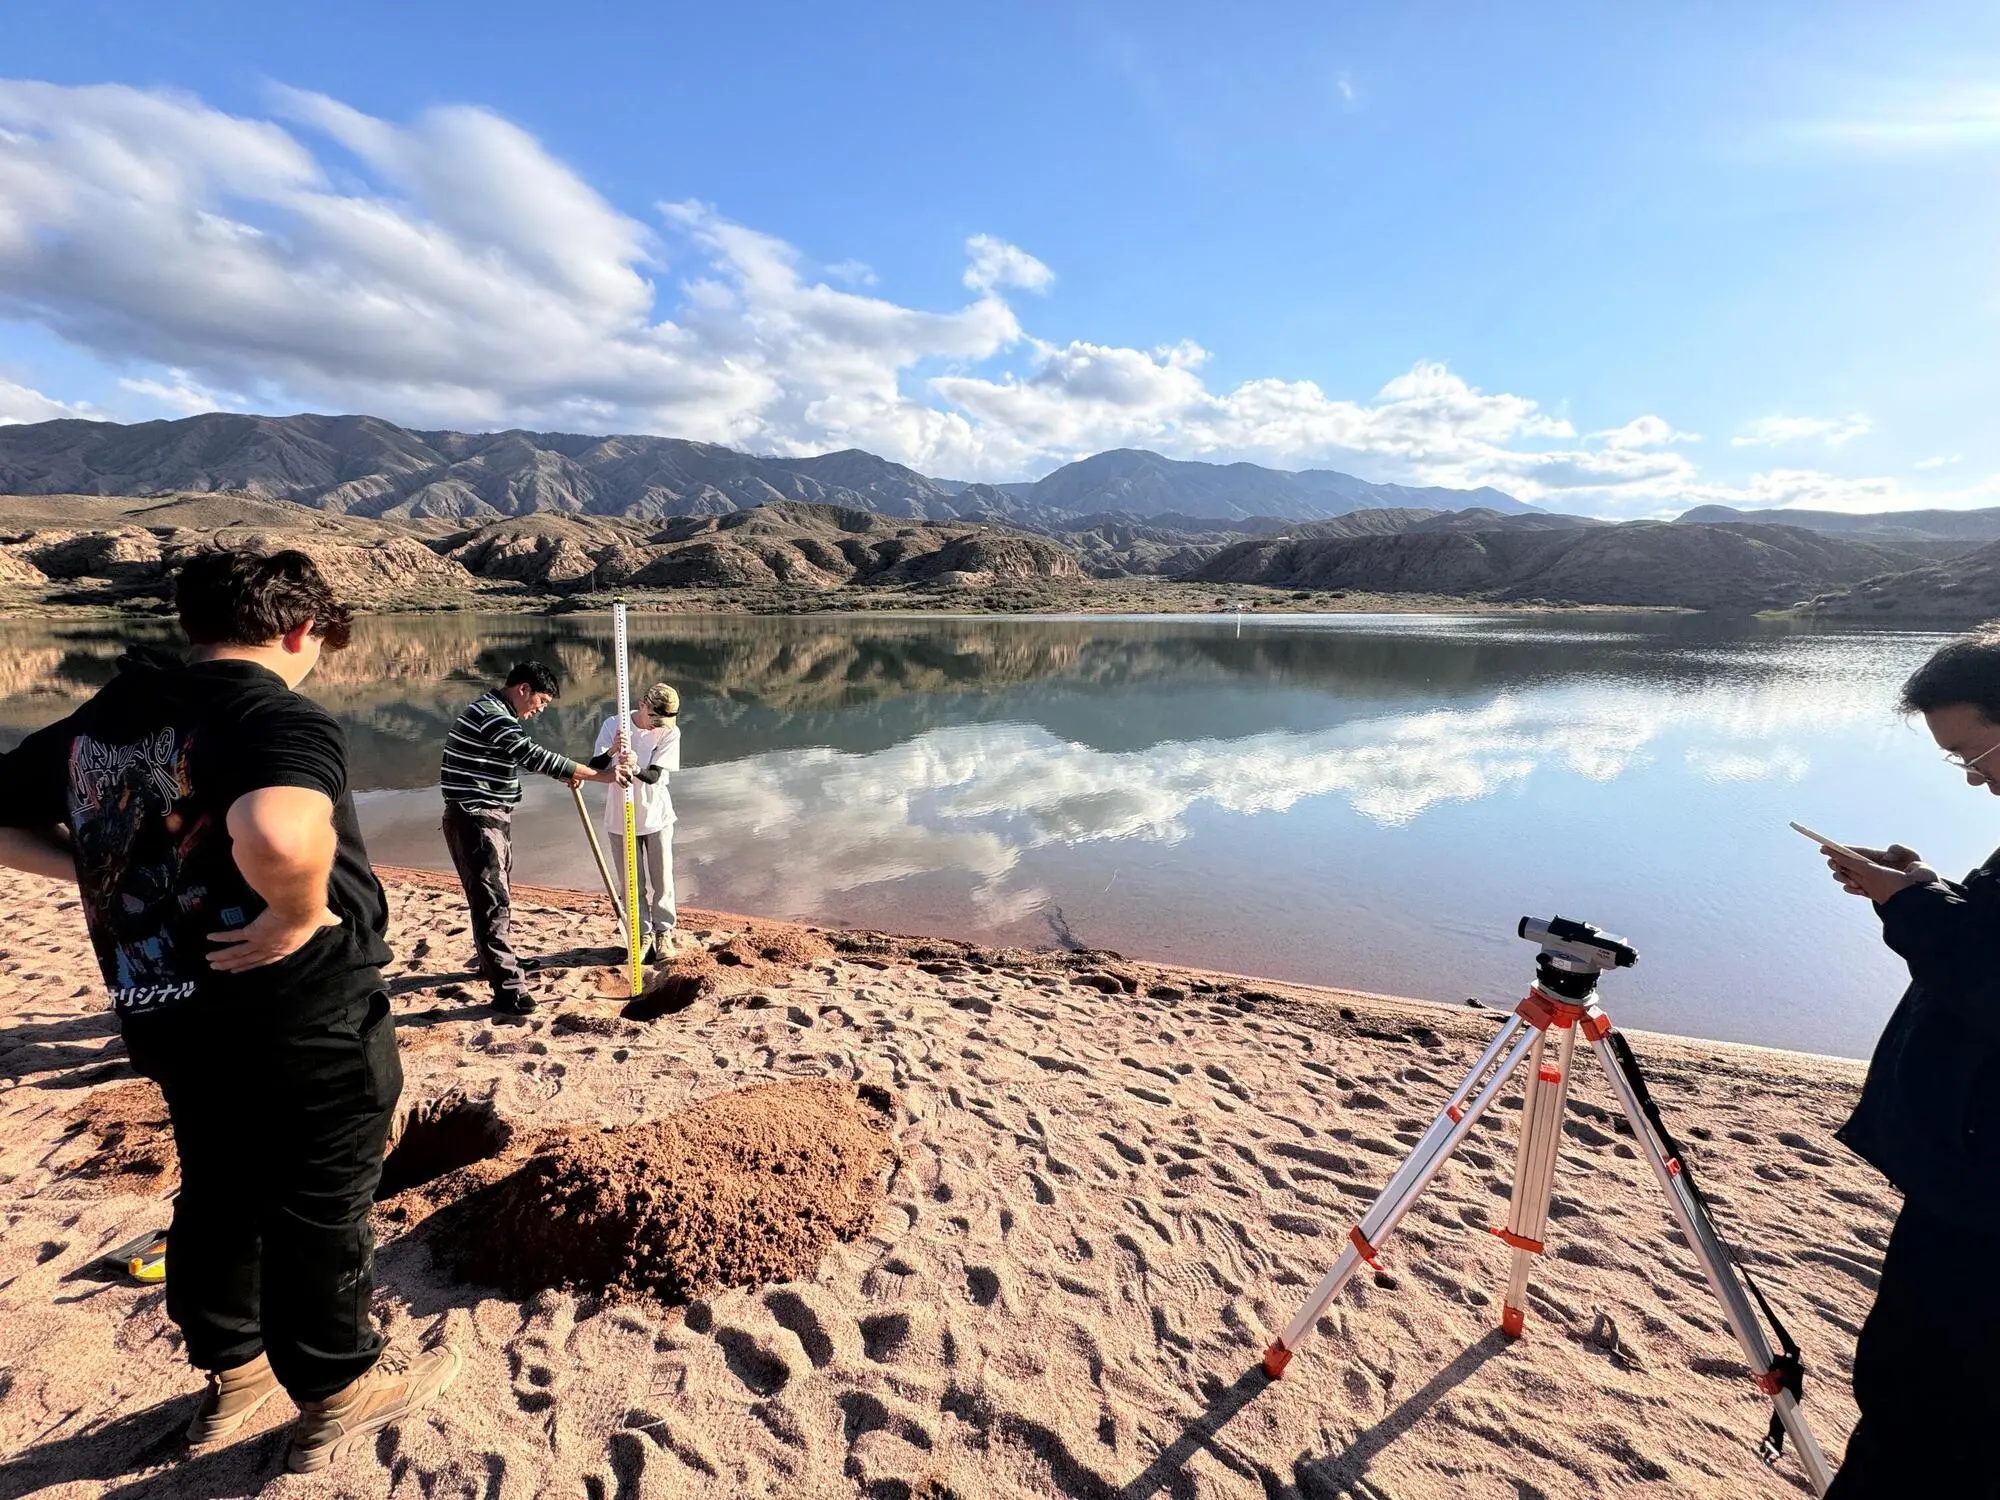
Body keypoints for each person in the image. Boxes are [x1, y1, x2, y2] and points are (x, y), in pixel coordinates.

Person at [0, 548, 459, 1473]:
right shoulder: (269, 711)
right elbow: (278, 830)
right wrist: (295, 914)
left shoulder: (105, 721)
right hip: (300, 1017)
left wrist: (106, 872)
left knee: (217, 1189)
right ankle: (336, 1389)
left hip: (166, 1009)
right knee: (322, 1203)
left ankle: (235, 1374)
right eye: (319, 643)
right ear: (300, 629)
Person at [1818, 626, 2000, 1497]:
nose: (1975, 776)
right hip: (1965, 1180)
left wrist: (1915, 905)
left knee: (1923, 1399)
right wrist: (1926, 887)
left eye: (1977, 751)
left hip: (1984, 1202)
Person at [440, 661, 625, 1015]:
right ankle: (507, 988)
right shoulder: (492, 715)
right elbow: (531, 755)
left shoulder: (492, 711)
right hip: (475, 818)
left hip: (487, 815)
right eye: (540, 701)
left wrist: (564, 775)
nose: (539, 710)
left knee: (496, 893)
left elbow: (518, 755)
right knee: (492, 899)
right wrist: (604, 775)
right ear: (522, 689)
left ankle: (494, 963)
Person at [591, 682, 682, 961]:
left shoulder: (669, 732)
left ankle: (664, 933)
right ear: (643, 706)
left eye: (663, 721)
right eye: (655, 719)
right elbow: (595, 766)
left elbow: (654, 776)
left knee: (662, 880)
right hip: (620, 819)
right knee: (631, 883)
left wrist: (635, 767)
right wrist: (612, 751)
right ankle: (640, 934)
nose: (658, 726)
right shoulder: (613, 724)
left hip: (656, 817)